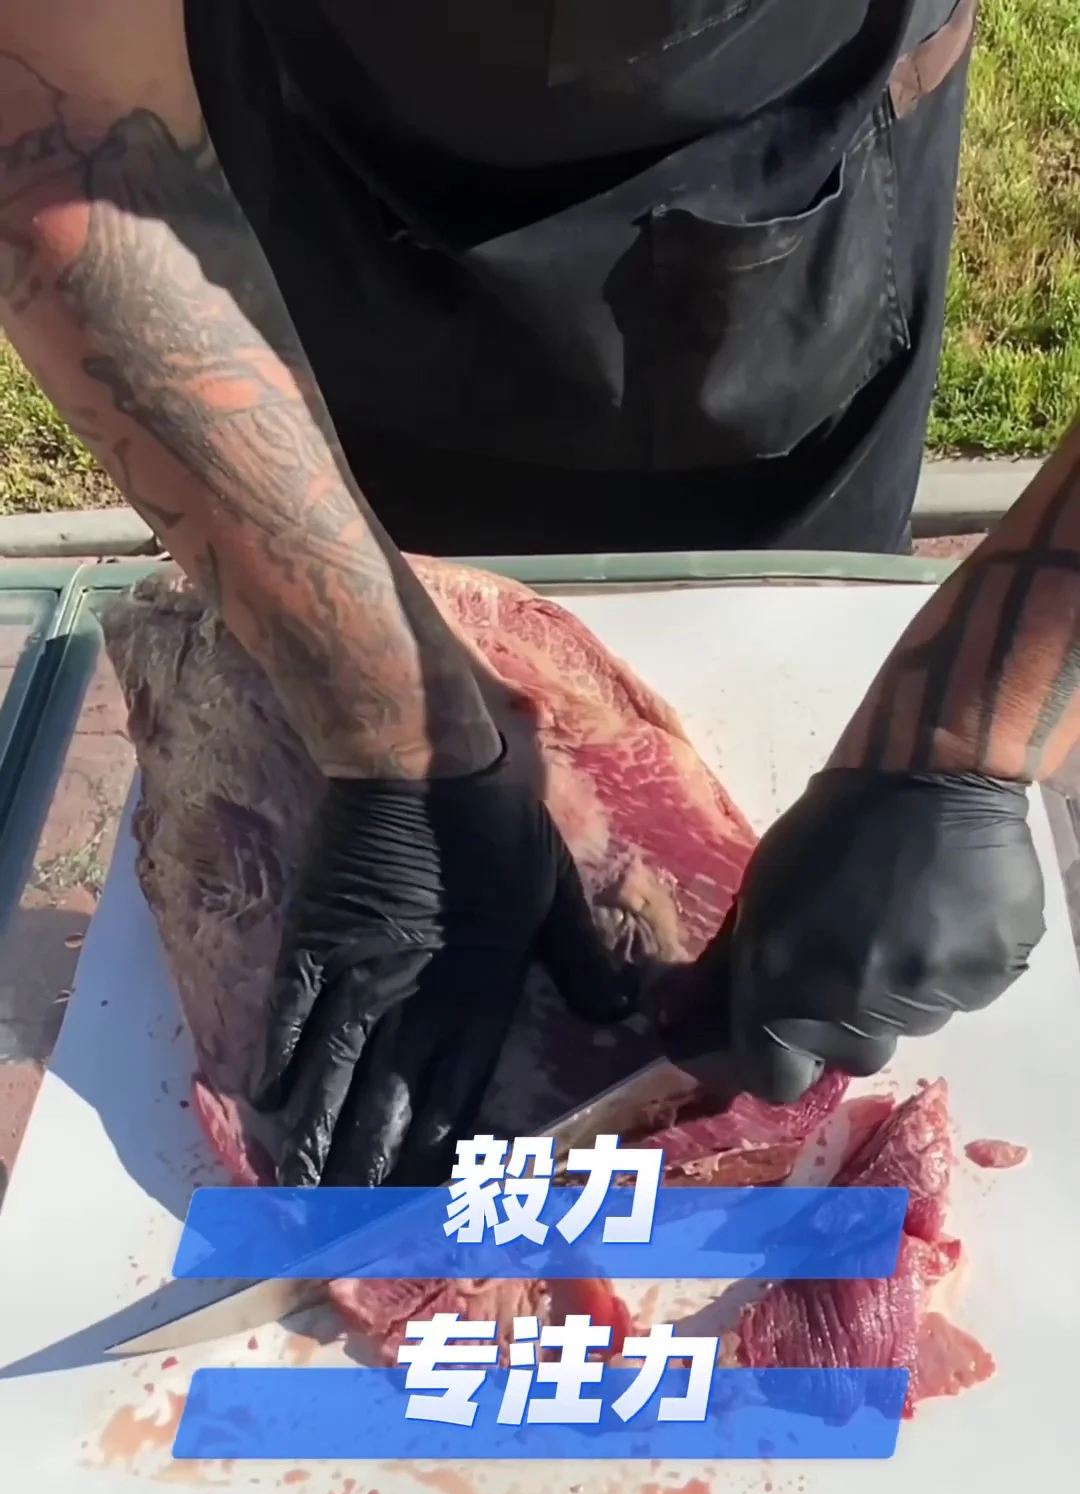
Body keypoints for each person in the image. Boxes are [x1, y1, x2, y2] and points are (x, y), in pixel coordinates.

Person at [0, 0, 1052, 1183]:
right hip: (319, 203)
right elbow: (63, 124)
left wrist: (968, 731)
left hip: (786, 194)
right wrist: (395, 731)